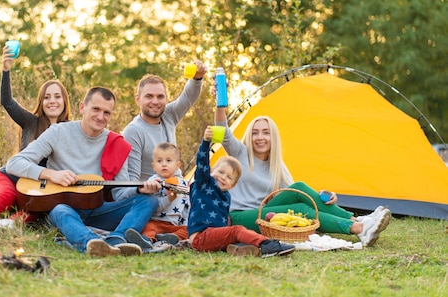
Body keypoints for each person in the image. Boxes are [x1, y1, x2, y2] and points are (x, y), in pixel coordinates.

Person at [5, 86, 161, 257]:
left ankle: (115, 240)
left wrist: (139, 189)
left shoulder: (117, 143)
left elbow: (119, 193)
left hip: (97, 208)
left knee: (149, 201)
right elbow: (14, 163)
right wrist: (51, 174)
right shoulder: (58, 132)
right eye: (96, 109)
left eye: (107, 113)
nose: (101, 117)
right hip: (64, 208)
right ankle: (90, 243)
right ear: (82, 107)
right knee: (59, 211)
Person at [215, 109, 392, 247]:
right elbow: (222, 128)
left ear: (273, 137)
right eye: (255, 132)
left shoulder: (276, 166)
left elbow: (300, 194)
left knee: (298, 188)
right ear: (250, 136)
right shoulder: (240, 152)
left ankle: (357, 219)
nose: (260, 137)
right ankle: (358, 229)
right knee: (298, 208)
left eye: (265, 133)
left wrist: (323, 195)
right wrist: (221, 103)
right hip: (239, 216)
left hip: (265, 211)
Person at [0, 45, 71, 232]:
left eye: (57, 96)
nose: (52, 101)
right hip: (8, 179)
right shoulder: (31, 122)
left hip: (35, 190)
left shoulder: (71, 131)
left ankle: (10, 224)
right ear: (41, 102)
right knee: (8, 194)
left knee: (47, 202)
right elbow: (7, 102)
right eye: (47, 97)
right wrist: (6, 68)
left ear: (64, 101)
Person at [186, 126, 295, 257]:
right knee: (236, 231)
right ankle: (267, 245)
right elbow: (202, 163)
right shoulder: (203, 183)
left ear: (233, 185)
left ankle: (242, 248)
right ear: (211, 171)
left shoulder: (226, 196)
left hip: (215, 236)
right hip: (201, 237)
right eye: (220, 172)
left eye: (229, 177)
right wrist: (206, 142)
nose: (222, 177)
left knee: (235, 232)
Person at [123, 61, 207, 182]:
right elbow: (133, 180)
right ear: (138, 99)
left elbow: (188, 97)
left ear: (166, 98)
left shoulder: (168, 115)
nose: (155, 101)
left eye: (160, 96)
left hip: (177, 188)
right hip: (154, 195)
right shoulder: (133, 131)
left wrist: (197, 78)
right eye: (149, 96)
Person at [124, 142, 190, 252]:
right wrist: (170, 198)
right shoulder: (153, 182)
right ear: (154, 166)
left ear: (177, 165)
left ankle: (170, 238)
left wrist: (185, 224)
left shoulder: (183, 184)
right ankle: (146, 240)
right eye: (159, 161)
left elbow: (186, 207)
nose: (164, 164)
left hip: (173, 224)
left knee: (188, 230)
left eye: (168, 161)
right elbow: (153, 205)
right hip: (156, 221)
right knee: (148, 227)